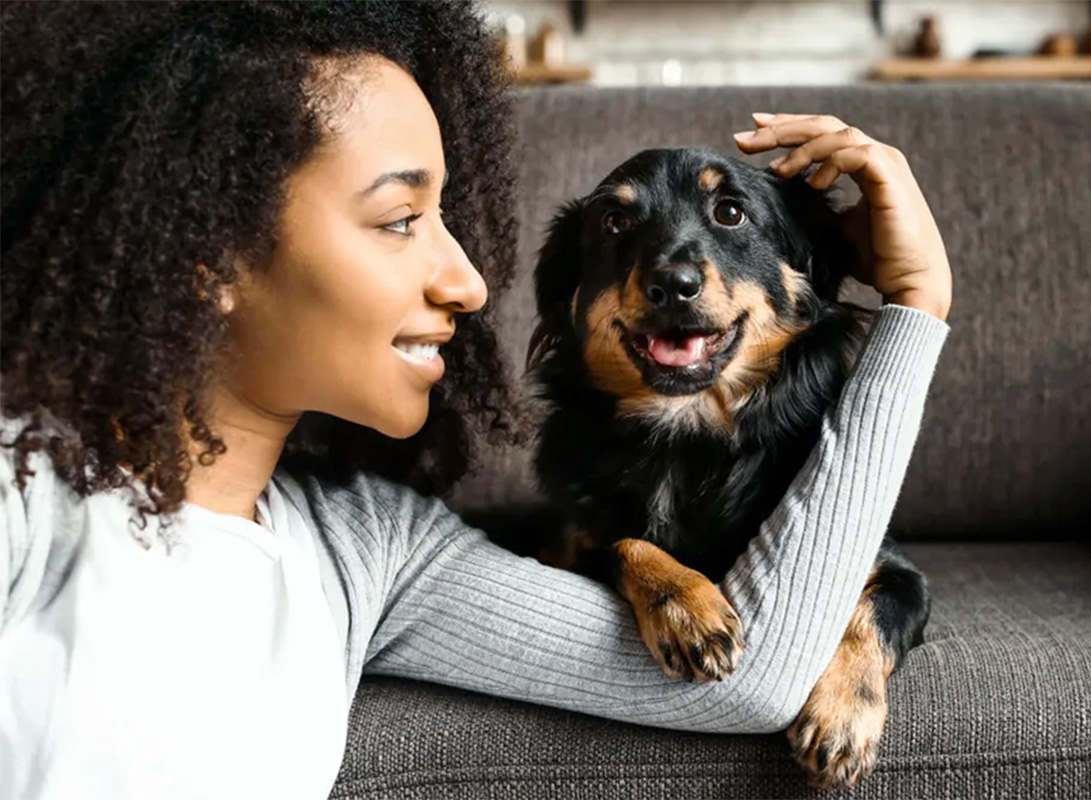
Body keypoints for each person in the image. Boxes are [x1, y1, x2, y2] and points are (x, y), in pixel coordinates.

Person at [0, 2, 952, 798]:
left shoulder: (371, 554)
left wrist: (916, 310)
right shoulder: (24, 488)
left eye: (448, 219)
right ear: (209, 248)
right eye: (401, 219)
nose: (468, 282)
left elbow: (755, 679)